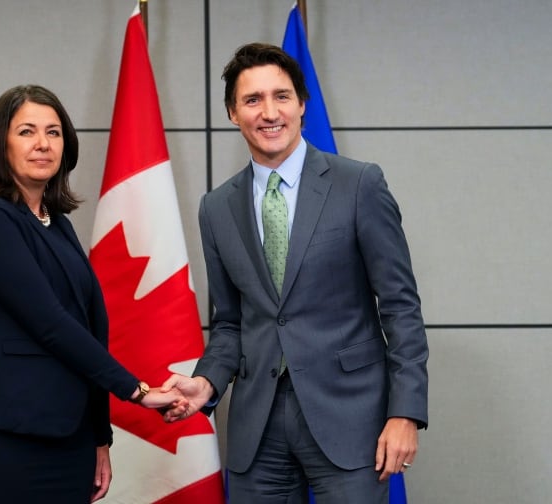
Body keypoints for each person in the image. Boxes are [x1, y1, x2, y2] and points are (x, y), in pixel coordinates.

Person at [161, 43, 429, 504]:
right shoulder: (216, 207)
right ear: (232, 113)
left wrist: (405, 412)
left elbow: (401, 307)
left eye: (281, 96)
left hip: (351, 420)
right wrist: (205, 382)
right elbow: (231, 322)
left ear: (302, 104)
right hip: (257, 429)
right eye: (252, 100)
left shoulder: (360, 184)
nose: (270, 112)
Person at [0, 84, 184, 503]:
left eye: (53, 132)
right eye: (27, 132)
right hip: (4, 433)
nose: (42, 144)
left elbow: (89, 330)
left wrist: (99, 438)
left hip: (69, 439)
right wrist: (137, 391)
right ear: (2, 144)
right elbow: (50, 324)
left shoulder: (60, 225)